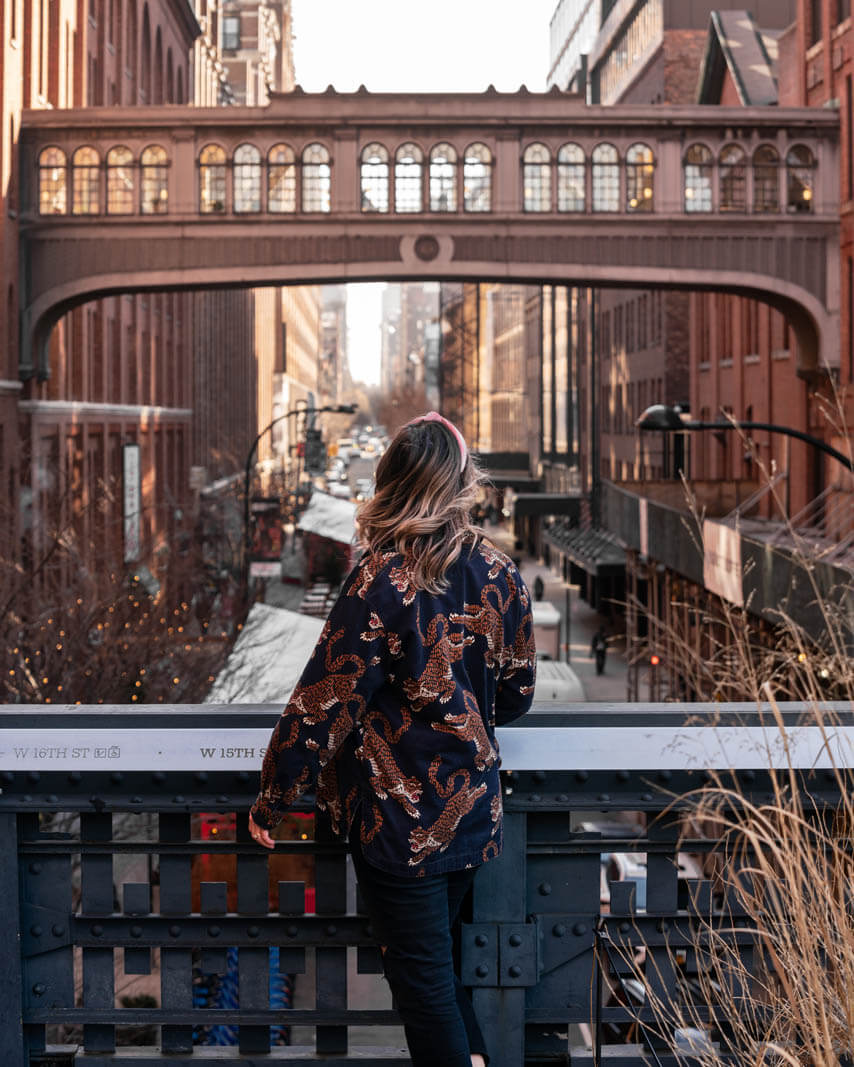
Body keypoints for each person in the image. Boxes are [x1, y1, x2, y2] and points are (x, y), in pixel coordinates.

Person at [248, 411, 537, 1067]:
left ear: (391, 485)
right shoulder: (500, 573)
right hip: (470, 818)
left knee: (427, 989)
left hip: (398, 825)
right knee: (442, 977)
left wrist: (273, 795)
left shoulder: (379, 580)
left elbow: (321, 703)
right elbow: (517, 695)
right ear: (462, 484)